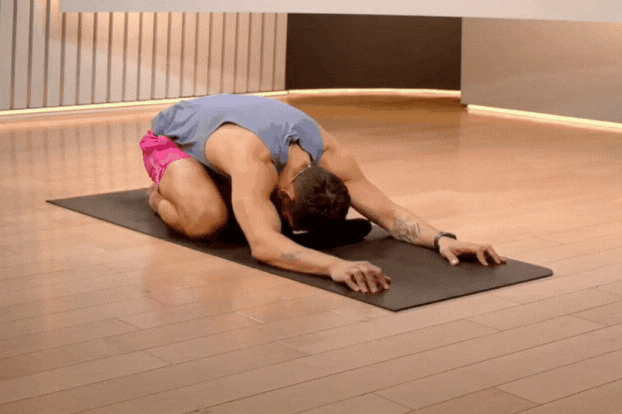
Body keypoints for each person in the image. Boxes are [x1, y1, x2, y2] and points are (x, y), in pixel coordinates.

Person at [140, 94, 505, 294]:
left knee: (247, 210)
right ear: (284, 196)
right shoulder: (254, 160)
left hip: (227, 134)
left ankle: (214, 183)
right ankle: (158, 195)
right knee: (208, 221)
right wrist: (334, 266)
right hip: (171, 138)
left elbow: (388, 214)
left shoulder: (330, 156)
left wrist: (442, 239)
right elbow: (263, 246)